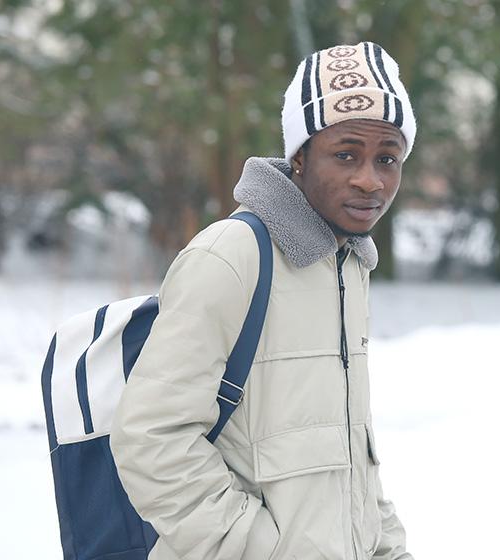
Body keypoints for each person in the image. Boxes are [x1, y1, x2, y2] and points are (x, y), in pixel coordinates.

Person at [110, 42, 417, 560]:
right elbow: (151, 438)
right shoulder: (230, 255)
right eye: (346, 154)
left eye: (387, 158)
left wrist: (387, 548)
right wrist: (258, 548)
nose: (370, 180)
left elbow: (349, 454)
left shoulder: (348, 265)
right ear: (299, 156)